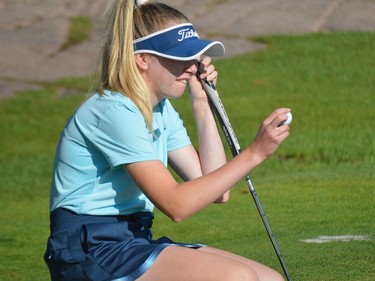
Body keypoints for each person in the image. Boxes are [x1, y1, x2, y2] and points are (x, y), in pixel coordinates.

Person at [44, 0, 291, 280]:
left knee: (270, 279)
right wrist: (255, 153)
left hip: (131, 239)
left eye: (195, 57)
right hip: (89, 250)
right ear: (143, 59)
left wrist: (200, 101)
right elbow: (176, 206)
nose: (192, 66)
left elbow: (217, 190)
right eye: (180, 56)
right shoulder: (114, 110)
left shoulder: (160, 110)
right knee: (236, 278)